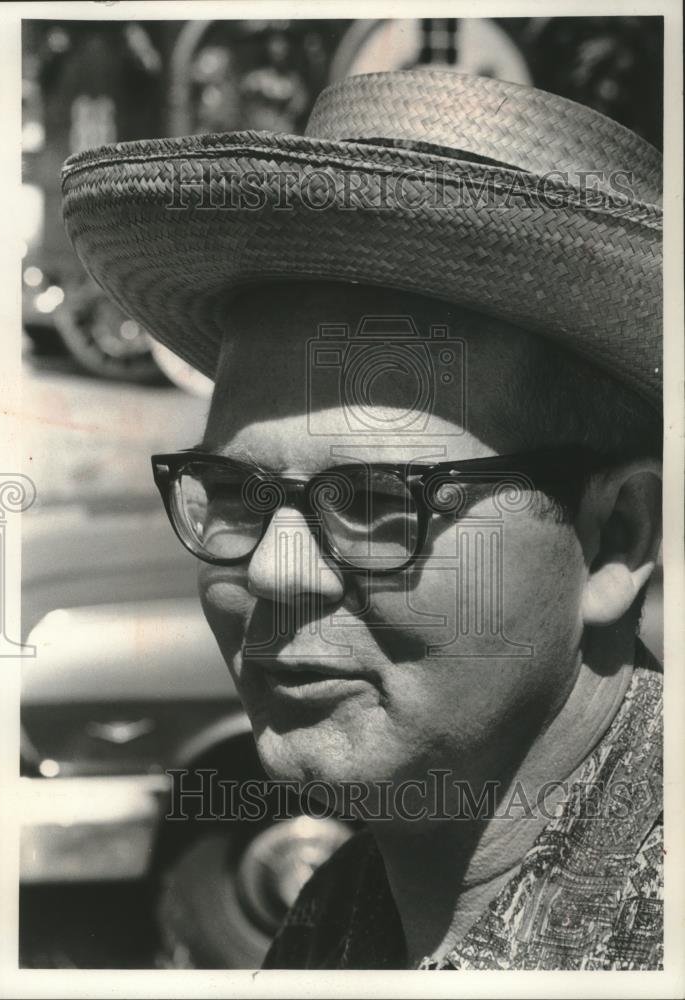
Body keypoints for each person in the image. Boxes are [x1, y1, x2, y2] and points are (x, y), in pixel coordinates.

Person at [62, 68, 663, 970]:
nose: (273, 572)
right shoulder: (332, 921)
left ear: (615, 540)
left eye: (379, 503)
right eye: (232, 493)